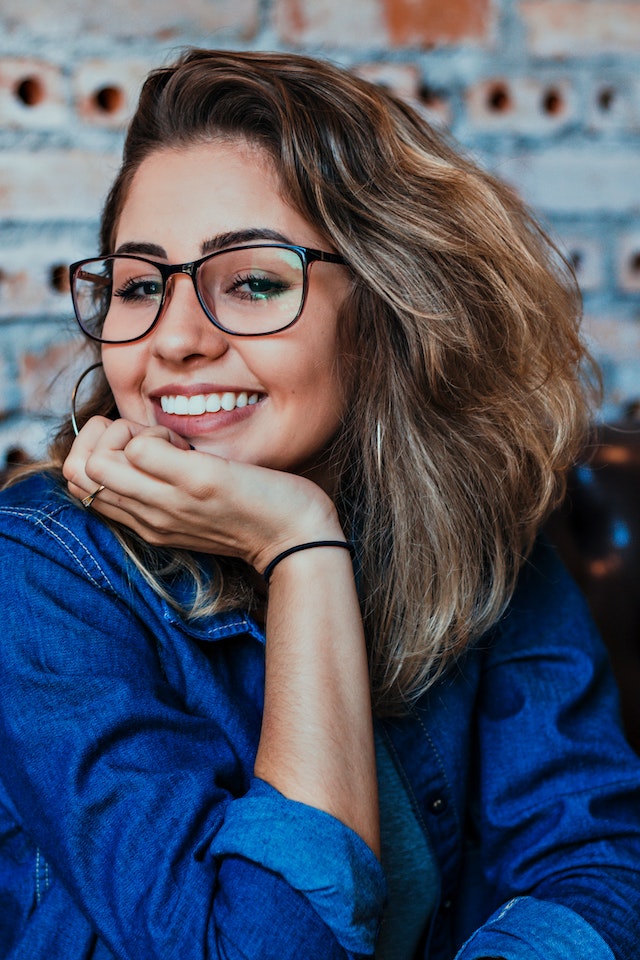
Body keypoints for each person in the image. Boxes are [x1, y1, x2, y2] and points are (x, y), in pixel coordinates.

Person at [0, 48, 638, 960]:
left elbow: (596, 861)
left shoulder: (479, 532)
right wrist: (300, 547)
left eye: (254, 281)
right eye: (141, 285)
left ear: (384, 313)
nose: (173, 338)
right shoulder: (40, 573)